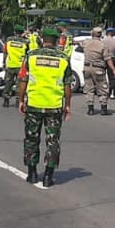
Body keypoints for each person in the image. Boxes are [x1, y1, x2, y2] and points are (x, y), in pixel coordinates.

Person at [18, 27, 74, 187]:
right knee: (53, 141)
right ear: (56, 41)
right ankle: (48, 176)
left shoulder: (31, 56)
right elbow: (67, 85)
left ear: (43, 39)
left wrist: (21, 100)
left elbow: (23, 80)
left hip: (34, 104)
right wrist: (68, 105)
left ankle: (32, 173)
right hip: (54, 106)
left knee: (31, 139)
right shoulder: (63, 58)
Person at [80, 26, 115, 115]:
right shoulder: (103, 45)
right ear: (100, 35)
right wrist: (113, 69)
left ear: (92, 34)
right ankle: (103, 108)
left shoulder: (86, 43)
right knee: (102, 88)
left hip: (87, 68)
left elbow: (79, 43)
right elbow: (108, 59)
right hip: (98, 69)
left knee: (89, 89)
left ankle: (90, 109)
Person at [2, 27, 28, 107]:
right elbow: (27, 54)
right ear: (22, 32)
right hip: (20, 66)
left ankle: (6, 100)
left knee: (8, 83)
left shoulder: (9, 40)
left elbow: (5, 52)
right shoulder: (25, 42)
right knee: (19, 84)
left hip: (10, 65)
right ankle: (18, 101)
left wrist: (4, 62)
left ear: (14, 32)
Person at [102, 26, 115, 101]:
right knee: (112, 77)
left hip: (103, 59)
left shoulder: (103, 41)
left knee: (102, 76)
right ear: (112, 33)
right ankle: (112, 93)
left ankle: (104, 91)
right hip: (112, 59)